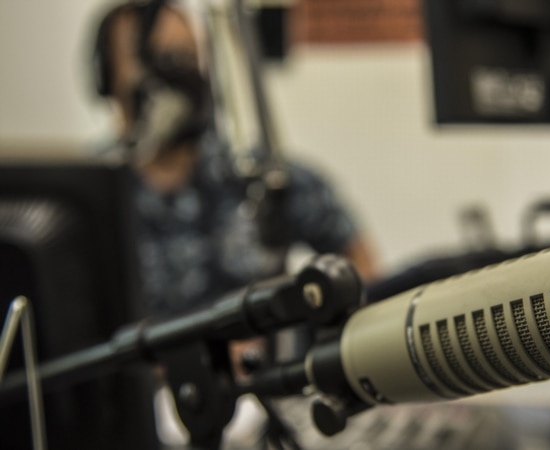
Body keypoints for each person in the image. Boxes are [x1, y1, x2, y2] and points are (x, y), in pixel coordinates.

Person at [88, 2, 379, 445]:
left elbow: (359, 260)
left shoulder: (256, 177)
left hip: (266, 416)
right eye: (165, 58)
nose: (184, 74)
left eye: (190, 57)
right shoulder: (88, 200)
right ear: (109, 78)